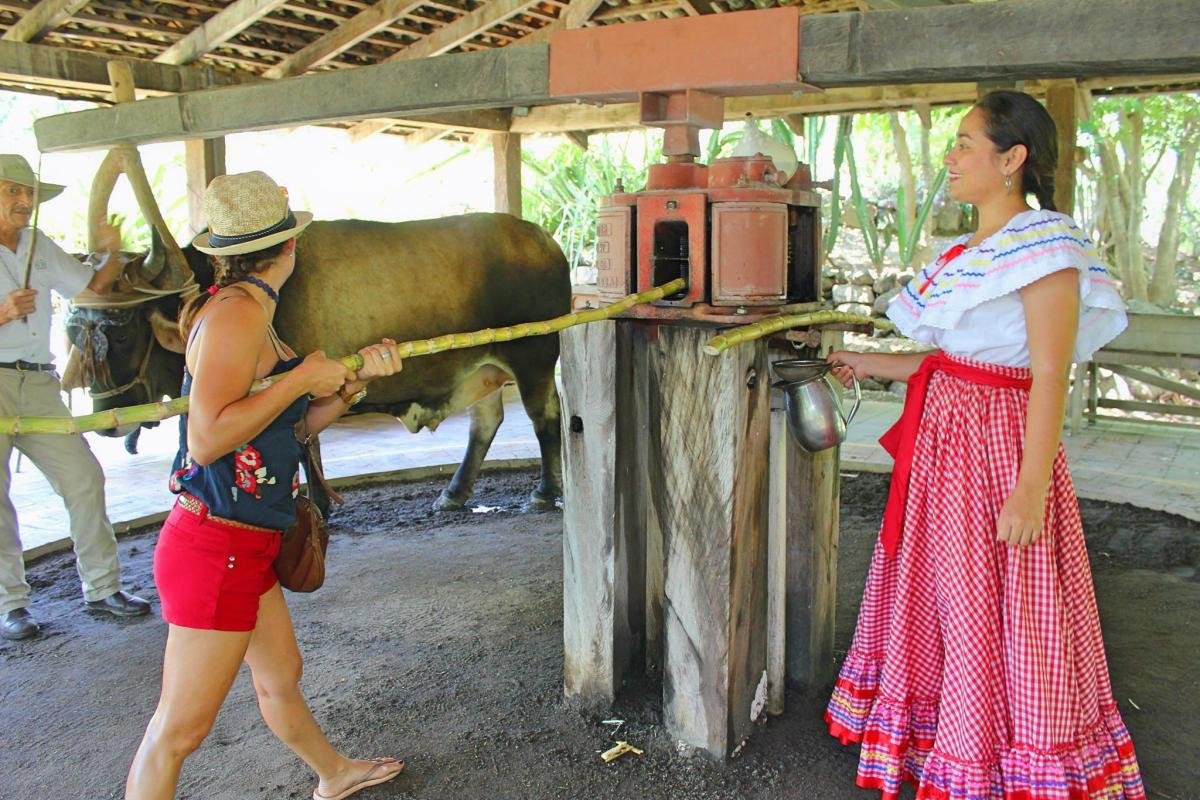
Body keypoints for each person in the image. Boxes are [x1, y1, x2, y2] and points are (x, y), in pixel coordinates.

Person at [824, 92, 1146, 799]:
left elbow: (1049, 375)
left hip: (1001, 452)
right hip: (946, 447)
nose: (952, 156)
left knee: (1008, 601)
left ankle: (1012, 757)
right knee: (951, 597)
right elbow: (949, 363)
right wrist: (862, 360)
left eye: (966, 143)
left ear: (1012, 160)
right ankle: (955, 740)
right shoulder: (965, 255)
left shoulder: (1047, 248)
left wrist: (1030, 488)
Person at [125, 171, 405, 800]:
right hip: (214, 545)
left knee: (282, 676)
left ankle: (334, 774)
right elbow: (206, 439)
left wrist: (351, 388)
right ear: (291, 246)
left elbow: (290, 429)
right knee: (178, 731)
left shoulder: (253, 312)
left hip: (243, 542)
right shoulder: (237, 315)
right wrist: (300, 377)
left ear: (220, 250)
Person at [0, 153, 150, 641]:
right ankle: (12, 605)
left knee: (84, 478)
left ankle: (103, 589)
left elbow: (90, 288)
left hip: (38, 382)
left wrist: (110, 253)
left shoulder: (37, 244)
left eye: (28, 194)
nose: (23, 202)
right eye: (11, 192)